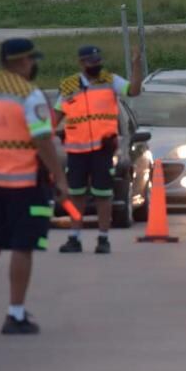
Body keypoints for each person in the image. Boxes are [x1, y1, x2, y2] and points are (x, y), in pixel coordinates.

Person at [0, 38, 69, 335]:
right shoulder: (29, 96)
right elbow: (42, 140)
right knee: (23, 247)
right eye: (32, 60)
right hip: (24, 183)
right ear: (21, 62)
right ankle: (15, 314)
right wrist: (60, 178)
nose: (34, 65)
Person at [54, 45, 142, 254]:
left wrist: (136, 65)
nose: (96, 65)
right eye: (91, 62)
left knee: (103, 194)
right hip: (76, 151)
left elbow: (134, 90)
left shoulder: (110, 81)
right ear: (81, 63)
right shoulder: (68, 86)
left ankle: (103, 238)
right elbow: (55, 117)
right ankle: (74, 238)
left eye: (98, 61)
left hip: (103, 149)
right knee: (76, 195)